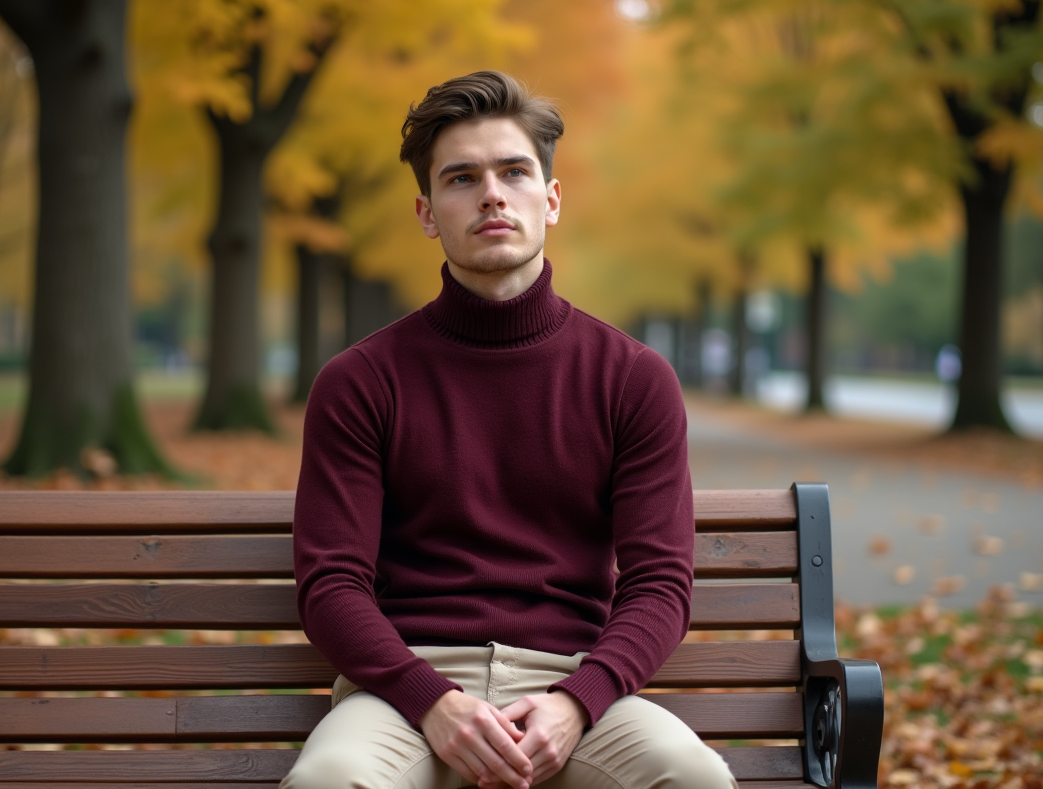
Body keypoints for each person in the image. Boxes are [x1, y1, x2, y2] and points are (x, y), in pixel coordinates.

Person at [284, 71, 737, 789]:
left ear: (550, 200)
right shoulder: (361, 381)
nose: (491, 193)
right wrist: (431, 701)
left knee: (692, 778)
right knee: (328, 782)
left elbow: (659, 584)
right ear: (428, 212)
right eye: (461, 178)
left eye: (513, 171)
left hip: (574, 688)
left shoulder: (632, 377)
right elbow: (331, 585)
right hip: (404, 694)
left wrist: (578, 703)